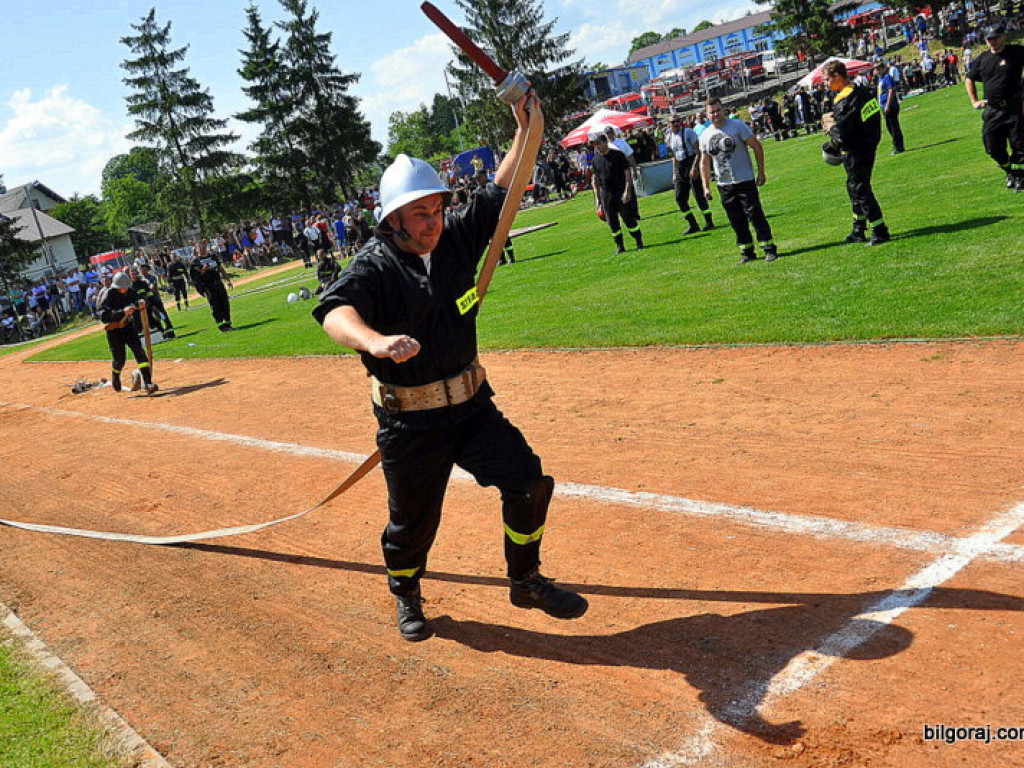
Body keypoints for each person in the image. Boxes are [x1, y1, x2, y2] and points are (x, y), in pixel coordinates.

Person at [312, 90, 587, 643]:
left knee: (528, 483)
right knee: (412, 525)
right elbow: (333, 313)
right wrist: (375, 342)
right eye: (419, 213)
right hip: (410, 424)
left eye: (436, 208)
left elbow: (503, 186)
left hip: (469, 407)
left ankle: (526, 579)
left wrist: (524, 125)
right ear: (392, 219)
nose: (432, 220)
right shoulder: (375, 264)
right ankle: (407, 595)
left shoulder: (456, 235)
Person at [699, 97, 779, 263]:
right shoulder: (705, 135)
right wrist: (706, 186)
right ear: (707, 115)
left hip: (744, 180)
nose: (715, 114)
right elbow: (704, 162)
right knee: (736, 220)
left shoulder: (737, 126)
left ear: (724, 110)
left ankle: (769, 248)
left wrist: (761, 172)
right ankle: (747, 251)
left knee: (755, 215)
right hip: (724, 184)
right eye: (711, 112)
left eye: (718, 110)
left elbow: (756, 146)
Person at [822, 60, 891, 246]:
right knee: (854, 187)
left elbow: (844, 132)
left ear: (837, 77)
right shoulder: (862, 92)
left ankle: (880, 229)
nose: (825, 84)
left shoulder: (845, 98)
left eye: (827, 79)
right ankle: (859, 228)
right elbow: (857, 119)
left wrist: (830, 128)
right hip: (868, 145)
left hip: (855, 151)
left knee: (860, 189)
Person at [965, 24, 1024, 192]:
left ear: (1003, 36)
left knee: (1019, 145)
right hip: (993, 110)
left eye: (995, 38)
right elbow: (969, 79)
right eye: (989, 39)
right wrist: (974, 101)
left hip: (1014, 107)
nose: (993, 42)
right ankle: (1009, 171)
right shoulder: (983, 59)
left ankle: (1020, 178)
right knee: (991, 146)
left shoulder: (1017, 52)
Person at [96, 271, 158, 394]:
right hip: (114, 330)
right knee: (120, 359)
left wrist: (140, 303)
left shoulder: (130, 291)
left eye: (126, 288)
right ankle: (116, 375)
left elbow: (141, 299)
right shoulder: (108, 295)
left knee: (139, 352)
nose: (124, 290)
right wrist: (122, 312)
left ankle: (148, 382)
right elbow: (103, 316)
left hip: (129, 327)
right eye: (122, 288)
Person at [592, 131, 645, 255]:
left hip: (620, 191)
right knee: (612, 221)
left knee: (628, 218)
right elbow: (595, 181)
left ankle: (639, 241)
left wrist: (627, 190)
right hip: (606, 193)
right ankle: (620, 246)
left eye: (599, 144)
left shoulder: (618, 155)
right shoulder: (595, 160)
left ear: (605, 143)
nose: (597, 147)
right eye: (595, 144)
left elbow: (627, 173)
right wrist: (598, 199)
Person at [666, 114, 714, 235]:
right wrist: (674, 173)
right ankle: (693, 224)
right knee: (679, 198)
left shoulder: (688, 132)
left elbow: (698, 152)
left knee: (698, 195)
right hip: (679, 167)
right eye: (673, 122)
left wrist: (694, 168)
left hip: (691, 162)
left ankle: (709, 222)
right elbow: (673, 156)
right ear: (669, 124)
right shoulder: (669, 137)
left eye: (678, 121)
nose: (676, 123)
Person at [190, 255, 234, 332]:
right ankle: (222, 327)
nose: (202, 249)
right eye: (200, 247)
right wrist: (204, 270)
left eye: (204, 247)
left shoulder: (213, 257)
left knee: (225, 305)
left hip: (219, 284)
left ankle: (228, 325)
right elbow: (196, 278)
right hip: (209, 287)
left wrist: (228, 280)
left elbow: (221, 269)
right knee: (216, 308)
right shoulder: (196, 262)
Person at [875, 61, 906, 155]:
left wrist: (888, 105)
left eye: (878, 69)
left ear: (883, 68)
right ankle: (896, 146)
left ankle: (899, 147)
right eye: (876, 69)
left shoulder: (887, 77)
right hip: (883, 105)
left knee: (893, 126)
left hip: (890, 106)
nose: (877, 71)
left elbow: (891, 90)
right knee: (890, 127)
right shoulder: (880, 79)